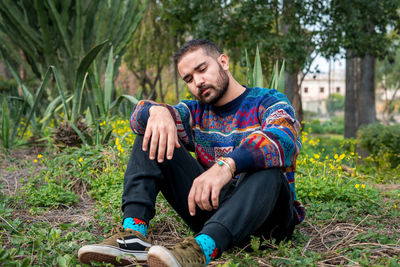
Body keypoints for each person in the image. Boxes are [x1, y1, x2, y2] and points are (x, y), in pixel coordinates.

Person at [78, 39, 305, 267]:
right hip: (214, 212)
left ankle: (201, 250)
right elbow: (138, 118)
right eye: (189, 78)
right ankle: (133, 237)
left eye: (202, 69)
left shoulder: (268, 101)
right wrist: (157, 112)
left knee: (267, 168)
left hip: (269, 221)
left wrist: (228, 165)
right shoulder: (194, 112)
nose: (198, 81)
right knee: (152, 132)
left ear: (223, 62)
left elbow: (284, 138)